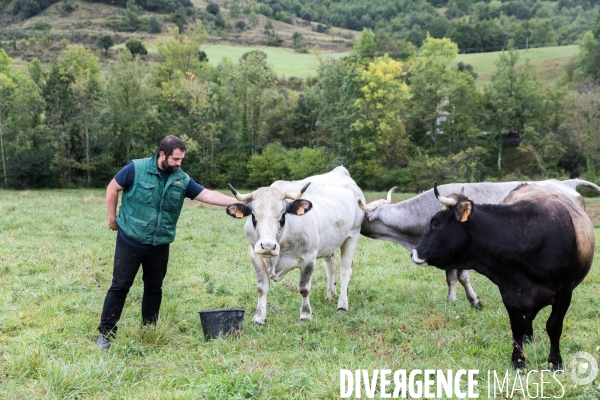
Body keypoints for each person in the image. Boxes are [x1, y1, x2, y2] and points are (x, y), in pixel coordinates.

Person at [96, 135, 241, 349]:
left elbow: (208, 195)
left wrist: (242, 202)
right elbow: (112, 188)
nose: (178, 164)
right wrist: (112, 219)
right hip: (131, 240)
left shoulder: (181, 179)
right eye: (175, 159)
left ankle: (149, 329)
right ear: (162, 154)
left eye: (181, 159)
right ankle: (106, 334)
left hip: (160, 244)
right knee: (120, 286)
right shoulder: (136, 169)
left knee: (154, 288)